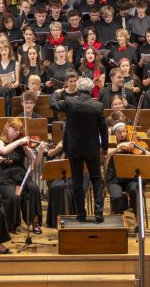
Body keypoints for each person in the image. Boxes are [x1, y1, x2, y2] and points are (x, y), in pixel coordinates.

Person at [54, 76, 108, 223]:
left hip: (74, 148)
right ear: (91, 90)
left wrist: (57, 93)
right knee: (96, 179)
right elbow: (103, 129)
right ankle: (98, 213)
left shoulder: (70, 102)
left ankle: (81, 214)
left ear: (78, 89)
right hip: (92, 149)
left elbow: (53, 105)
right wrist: (105, 147)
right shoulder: (98, 106)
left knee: (77, 182)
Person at [0, 119, 43, 233]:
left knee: (34, 188)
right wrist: (19, 140)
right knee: (13, 197)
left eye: (19, 130)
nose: (17, 132)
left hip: (21, 176)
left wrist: (40, 151)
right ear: (7, 128)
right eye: (14, 129)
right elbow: (4, 151)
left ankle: (34, 223)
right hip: (6, 179)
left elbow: (35, 163)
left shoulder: (23, 145)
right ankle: (12, 225)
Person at [104, 118, 141, 215]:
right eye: (119, 132)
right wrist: (119, 147)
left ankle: (137, 219)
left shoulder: (131, 142)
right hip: (114, 178)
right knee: (116, 197)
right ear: (114, 133)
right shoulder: (111, 143)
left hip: (130, 178)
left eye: (124, 131)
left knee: (135, 190)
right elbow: (105, 154)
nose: (123, 134)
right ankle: (118, 218)